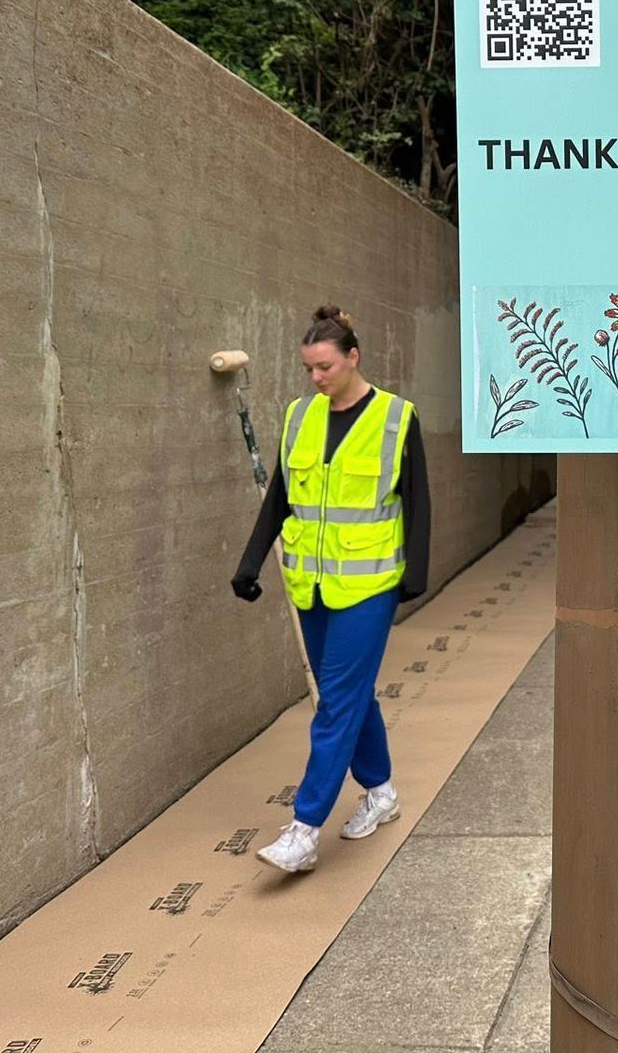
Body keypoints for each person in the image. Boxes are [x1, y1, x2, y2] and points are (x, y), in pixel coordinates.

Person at [231, 304, 431, 873]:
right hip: (312, 585)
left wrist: (415, 575)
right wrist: (250, 562)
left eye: (325, 367)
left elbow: (417, 500)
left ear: (353, 358)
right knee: (351, 694)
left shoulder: (396, 417)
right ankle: (381, 791)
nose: (316, 379)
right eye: (308, 369)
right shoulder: (300, 416)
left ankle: (304, 827)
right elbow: (281, 498)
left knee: (335, 702)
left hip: (369, 587)